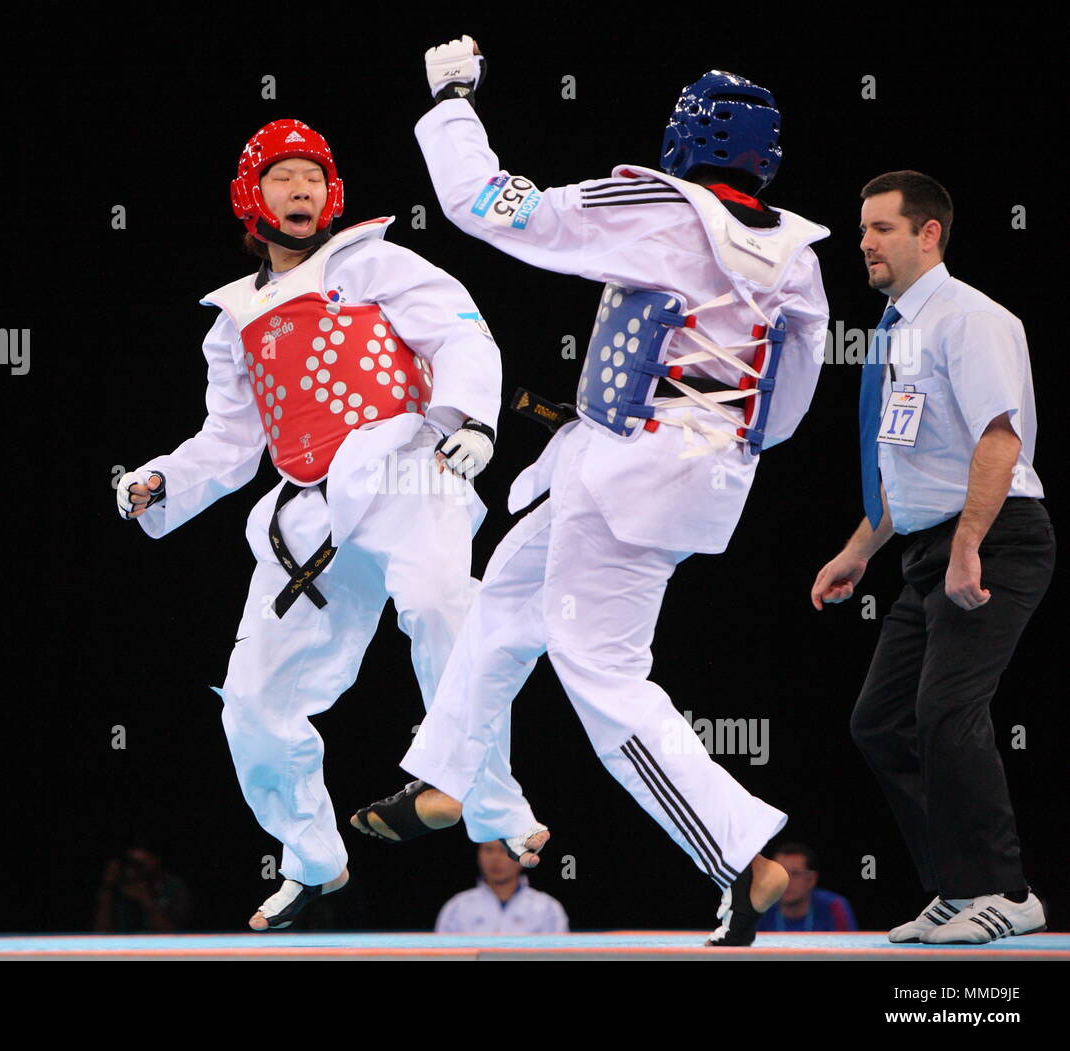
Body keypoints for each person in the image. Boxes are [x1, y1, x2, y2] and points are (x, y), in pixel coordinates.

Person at [352, 39, 832, 946]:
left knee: (605, 672)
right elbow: (788, 404)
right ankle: (447, 774)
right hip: (693, 477)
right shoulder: (799, 256)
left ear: (688, 141)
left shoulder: (659, 206)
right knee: (504, 599)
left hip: (626, 473)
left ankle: (742, 854)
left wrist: (454, 100)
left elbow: (487, 204)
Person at [116, 118, 540, 930]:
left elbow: (461, 330)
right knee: (250, 697)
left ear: (333, 192)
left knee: (442, 601)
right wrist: (162, 478)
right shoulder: (233, 319)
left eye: (313, 175)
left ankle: (489, 803)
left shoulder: (374, 260)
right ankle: (312, 858)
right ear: (251, 196)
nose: (302, 189)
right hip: (306, 508)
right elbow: (231, 443)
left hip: (408, 461)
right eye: (283, 177)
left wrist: (472, 419)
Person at [811, 171, 1052, 945]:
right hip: (926, 545)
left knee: (948, 711)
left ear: (929, 234)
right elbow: (905, 468)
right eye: (861, 229)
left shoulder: (972, 319)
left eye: (881, 228)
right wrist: (856, 551)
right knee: (880, 721)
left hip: (995, 536)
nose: (864, 243)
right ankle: (957, 887)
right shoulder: (894, 330)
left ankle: (1007, 891)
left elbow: (1000, 440)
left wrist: (969, 546)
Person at [436, 841, 569, 934]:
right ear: (479, 854)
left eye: (504, 851)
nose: (495, 858)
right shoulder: (457, 908)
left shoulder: (548, 909)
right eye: (488, 849)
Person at [755, 843, 857, 932]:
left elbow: (852, 952)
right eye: (780, 873)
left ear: (811, 879)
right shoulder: (759, 908)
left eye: (795, 874)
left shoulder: (834, 907)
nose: (785, 881)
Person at [93, 846, 195, 933]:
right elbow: (101, 933)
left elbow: (172, 935)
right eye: (129, 864)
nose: (132, 870)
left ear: (155, 860)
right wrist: (108, 889)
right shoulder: (116, 888)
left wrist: (145, 900)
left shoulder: (173, 887)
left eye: (139, 865)